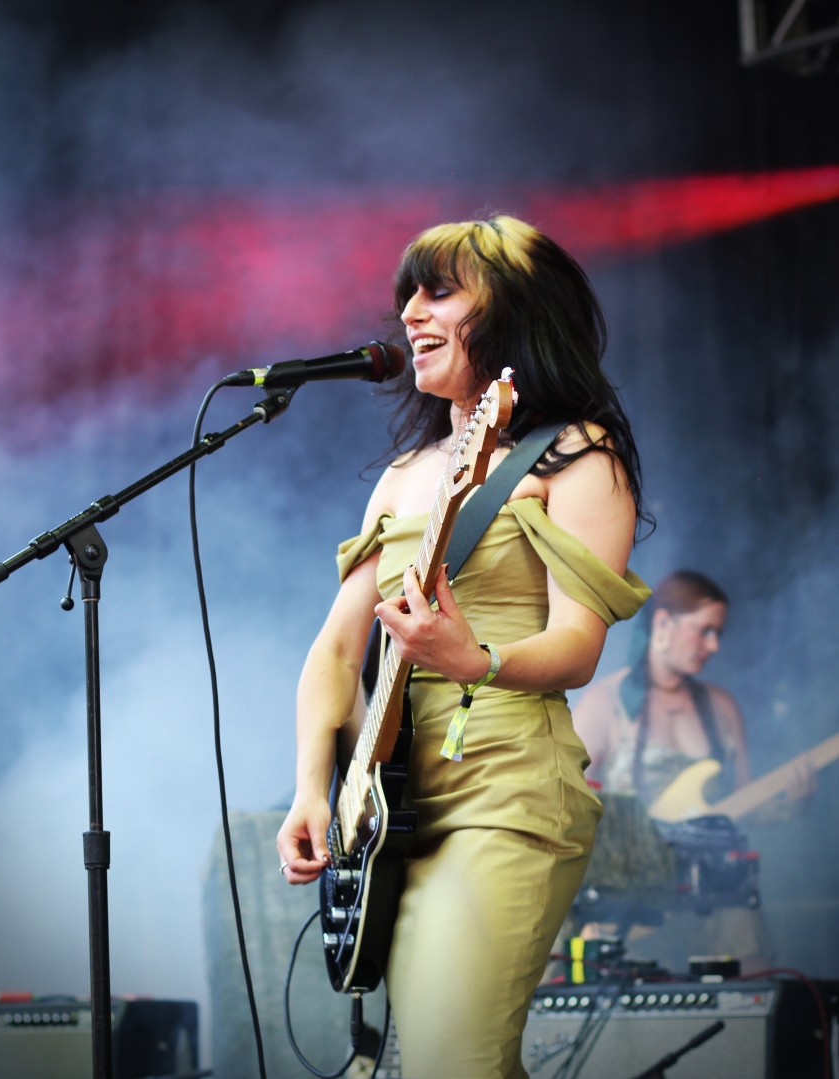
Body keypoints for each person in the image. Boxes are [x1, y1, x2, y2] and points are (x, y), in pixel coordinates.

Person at [276, 214, 650, 1079]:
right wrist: (311, 788)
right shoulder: (403, 474)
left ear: (517, 310)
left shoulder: (577, 457)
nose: (410, 312)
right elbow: (336, 651)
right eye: (408, 293)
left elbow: (578, 644)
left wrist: (473, 659)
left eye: (440, 292)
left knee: (457, 1061)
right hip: (392, 812)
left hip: (508, 791)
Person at [572, 569, 815, 973]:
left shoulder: (722, 707)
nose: (714, 645)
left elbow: (743, 806)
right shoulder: (604, 702)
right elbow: (571, 809)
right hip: (633, 897)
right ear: (663, 623)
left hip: (714, 892)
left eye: (718, 633)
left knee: (752, 982)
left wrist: (792, 806)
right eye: (705, 631)